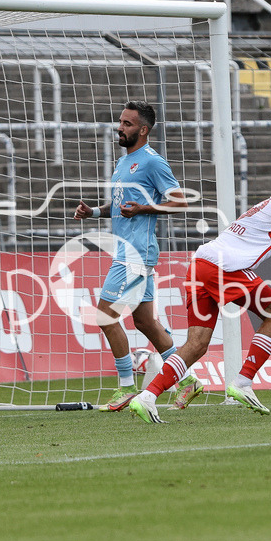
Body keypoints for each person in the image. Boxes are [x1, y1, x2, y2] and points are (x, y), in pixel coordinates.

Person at [128, 159, 271, 423]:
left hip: (200, 263)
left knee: (196, 344)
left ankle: (147, 397)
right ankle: (242, 382)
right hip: (225, 267)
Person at [73, 100, 199, 411]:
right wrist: (93, 213)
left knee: (105, 316)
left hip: (135, 254)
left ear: (143, 130)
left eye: (127, 124)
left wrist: (144, 208)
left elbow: (180, 202)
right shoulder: (122, 163)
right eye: (120, 122)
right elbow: (120, 207)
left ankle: (127, 386)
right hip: (129, 251)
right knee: (145, 322)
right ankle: (187, 380)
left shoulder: (153, 162)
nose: (120, 128)